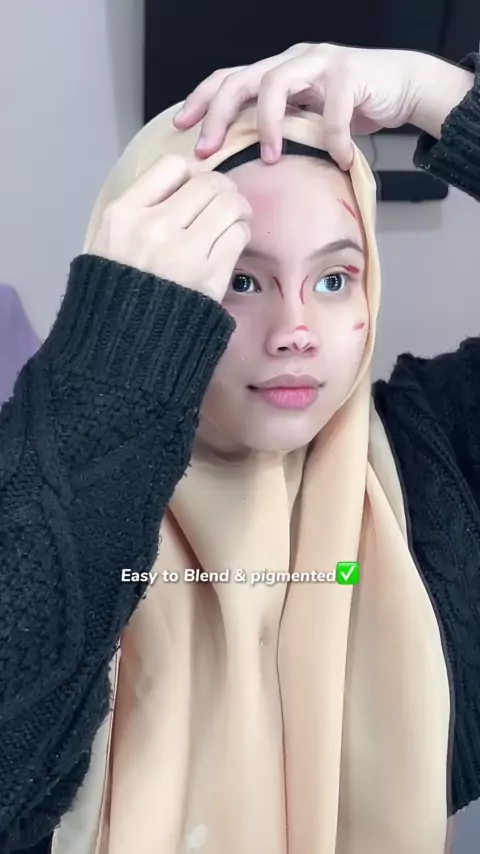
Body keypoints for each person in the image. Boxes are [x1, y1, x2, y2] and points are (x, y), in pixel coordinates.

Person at [0, 43, 479, 854]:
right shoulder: (45, 492)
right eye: (239, 280)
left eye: (335, 280)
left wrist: (435, 93)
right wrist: (109, 358)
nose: (296, 332)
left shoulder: (438, 472)